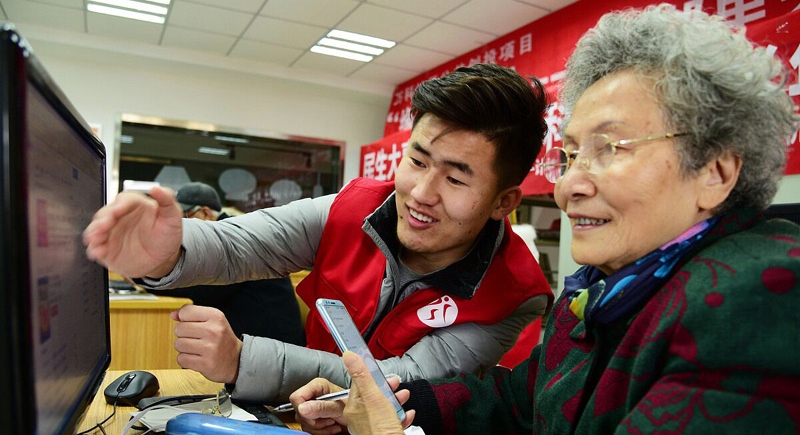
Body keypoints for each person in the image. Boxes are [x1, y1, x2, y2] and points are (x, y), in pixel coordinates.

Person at [289, 5, 800, 435]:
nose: (568, 186)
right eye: (572, 154)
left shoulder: (769, 294)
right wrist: (381, 403)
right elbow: (521, 402)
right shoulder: (608, 291)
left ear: (715, 172)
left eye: (610, 148)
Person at [83, 64, 554, 402]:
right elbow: (243, 243)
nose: (421, 193)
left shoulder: (513, 295)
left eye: (455, 178)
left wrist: (243, 362)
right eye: (417, 161)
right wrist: (168, 253)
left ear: (503, 202)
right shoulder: (355, 208)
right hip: (308, 420)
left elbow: (400, 382)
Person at [144, 182, 306, 346]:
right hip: (254, 335)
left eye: (184, 216)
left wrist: (150, 281)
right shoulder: (222, 236)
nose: (178, 225)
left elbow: (204, 289)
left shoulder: (234, 237)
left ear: (205, 213)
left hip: (274, 344)